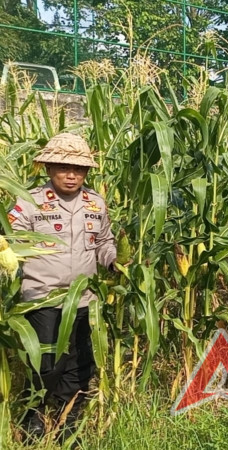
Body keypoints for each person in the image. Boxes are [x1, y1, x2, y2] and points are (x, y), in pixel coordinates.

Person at [8, 133, 116, 443]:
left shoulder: (95, 202)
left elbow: (104, 243)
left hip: (83, 298)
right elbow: (12, 242)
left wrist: (114, 262)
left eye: (78, 170)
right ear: (48, 168)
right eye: (63, 168)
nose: (71, 175)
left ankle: (69, 423)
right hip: (41, 298)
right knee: (44, 365)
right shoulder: (28, 201)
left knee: (80, 365)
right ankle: (35, 422)